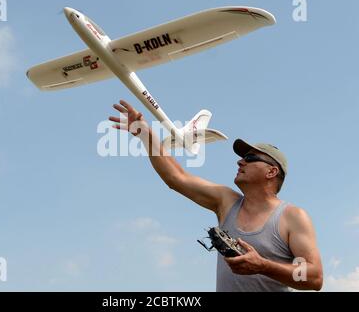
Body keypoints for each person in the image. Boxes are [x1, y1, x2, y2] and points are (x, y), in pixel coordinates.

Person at [109, 100, 323, 292]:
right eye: (241, 158)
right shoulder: (226, 201)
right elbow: (176, 178)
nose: (240, 162)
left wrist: (263, 265)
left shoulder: (292, 216)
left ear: (271, 171)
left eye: (250, 157)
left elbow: (314, 278)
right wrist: (145, 133)